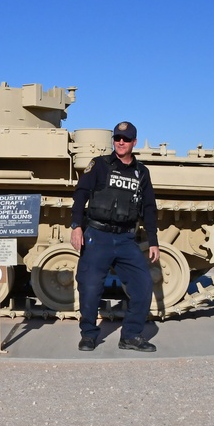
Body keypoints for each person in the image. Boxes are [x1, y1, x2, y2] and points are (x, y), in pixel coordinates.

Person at [70, 121, 160, 353]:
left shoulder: (142, 173)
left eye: (126, 139)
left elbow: (149, 208)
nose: (121, 142)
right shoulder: (99, 165)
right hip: (97, 236)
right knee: (90, 287)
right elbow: (81, 194)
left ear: (134, 142)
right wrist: (76, 226)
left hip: (125, 240)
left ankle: (130, 336)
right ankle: (89, 335)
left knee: (143, 285)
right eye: (118, 138)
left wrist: (153, 241)